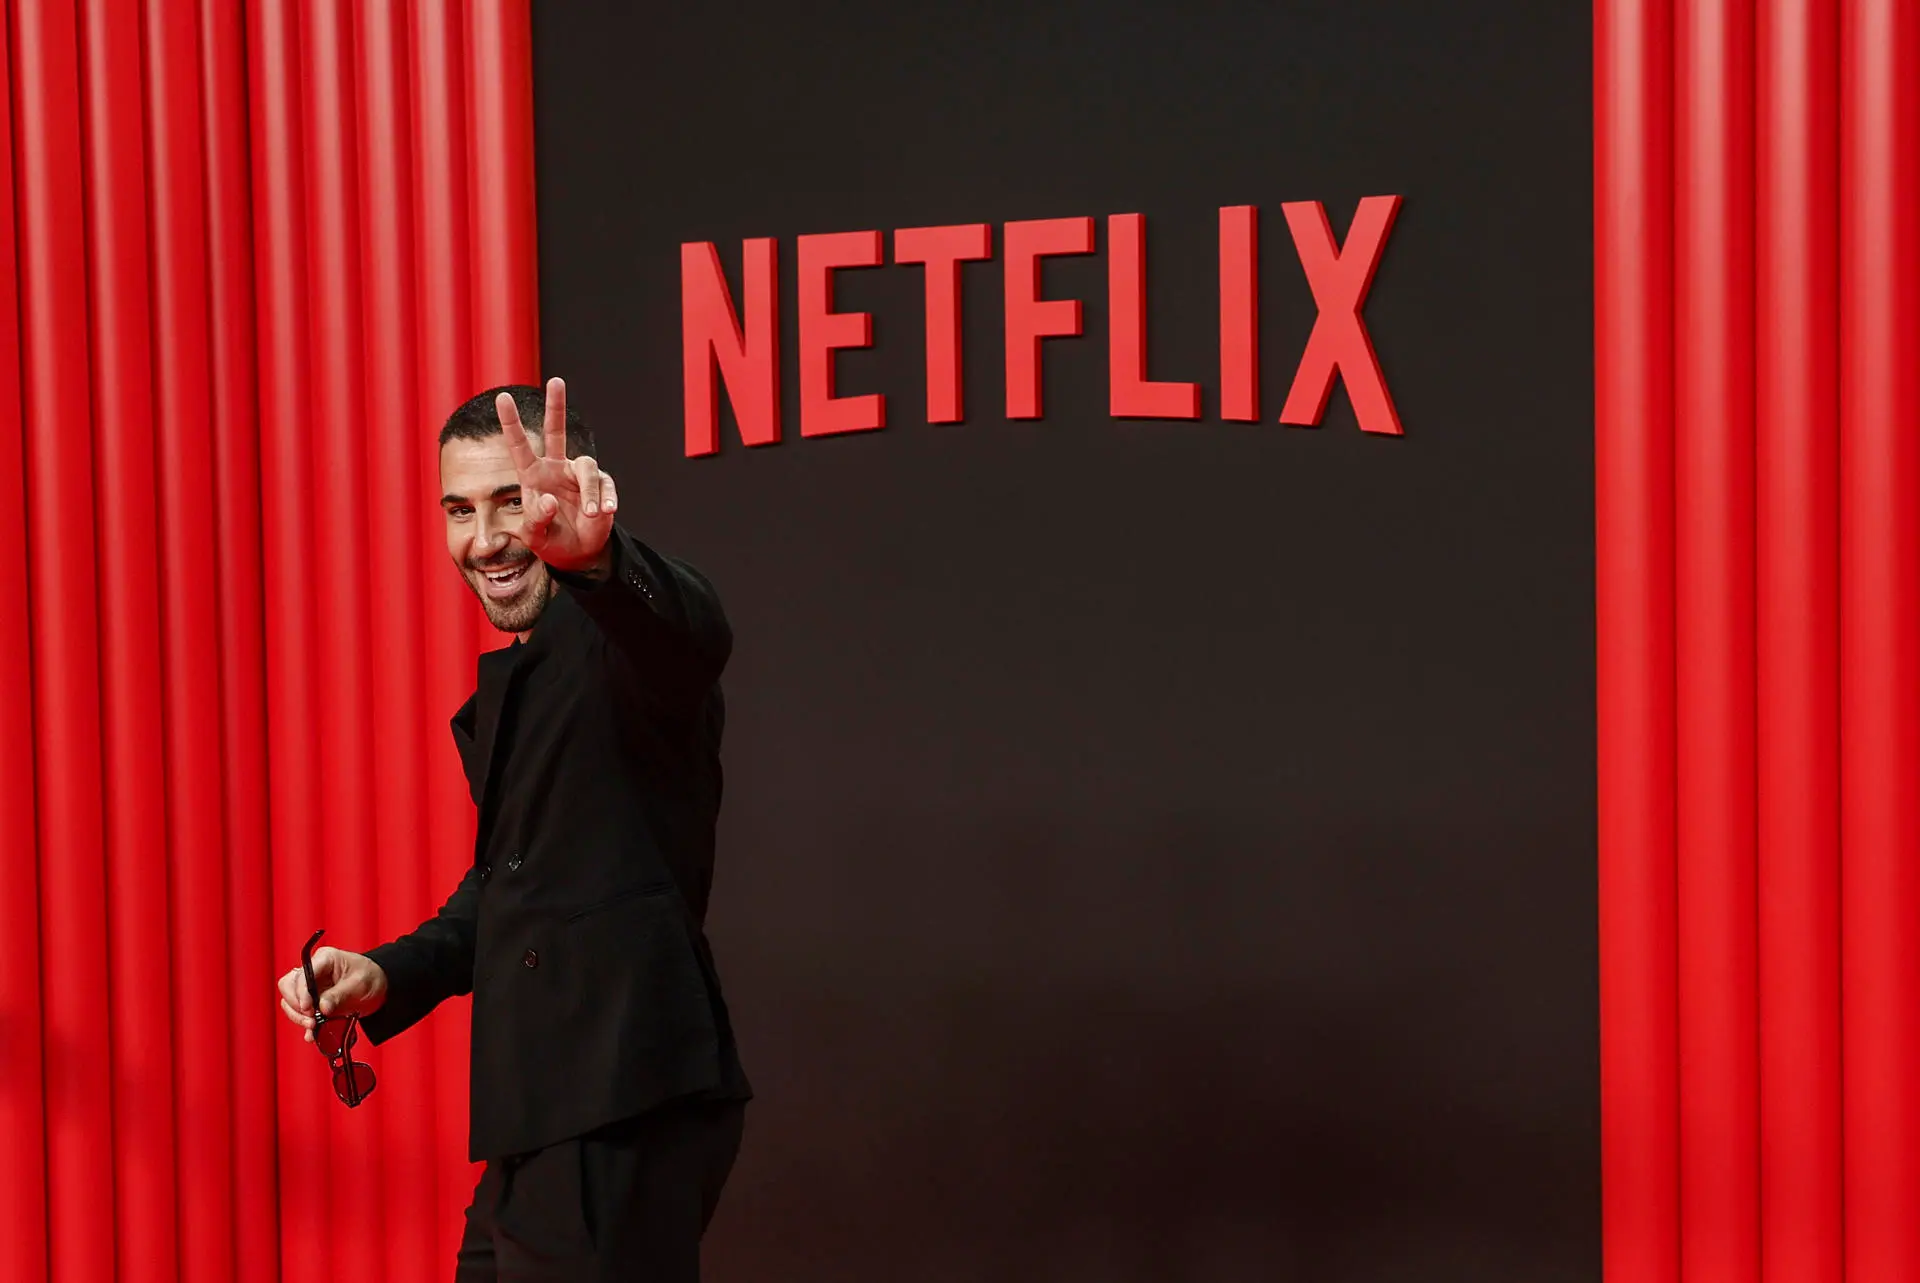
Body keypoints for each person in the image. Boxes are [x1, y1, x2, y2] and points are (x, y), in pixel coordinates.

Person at [275, 378, 751, 1282]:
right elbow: (513, 886)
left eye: (511, 500)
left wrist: (600, 562)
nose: (485, 537)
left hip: (622, 1098)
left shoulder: (626, 646)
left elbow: (694, 633)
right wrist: (389, 972)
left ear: (579, 494)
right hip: (540, 1120)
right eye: (460, 509)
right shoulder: (517, 683)